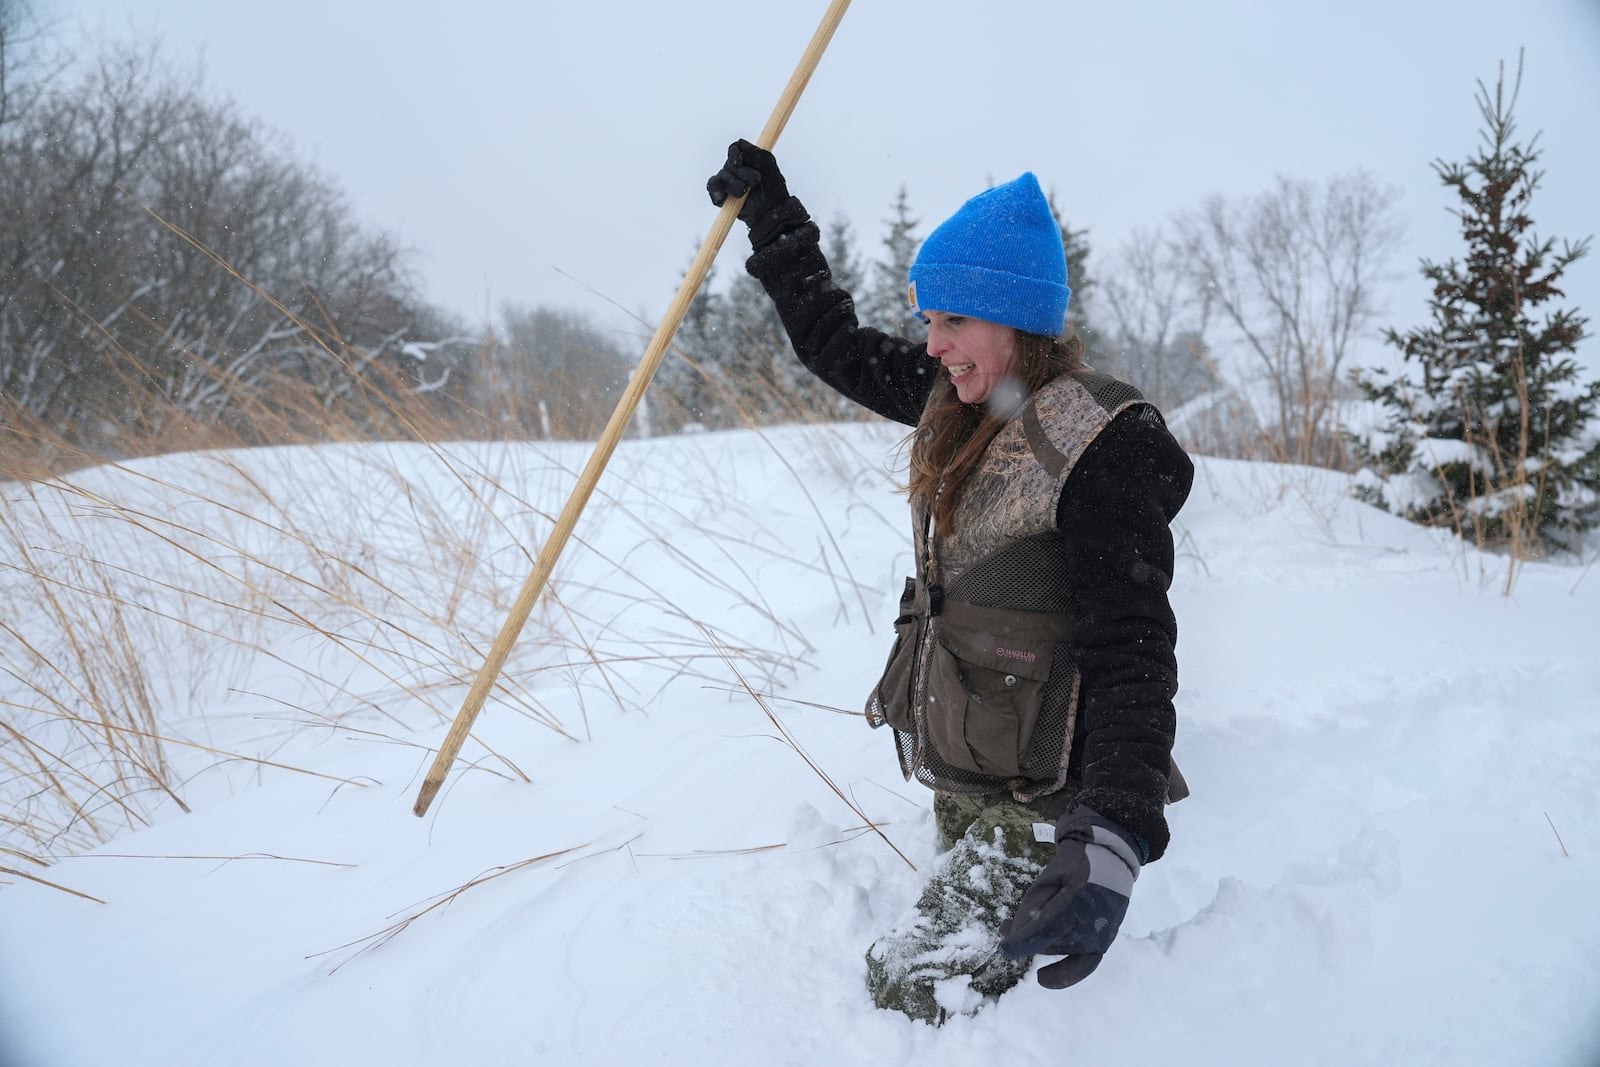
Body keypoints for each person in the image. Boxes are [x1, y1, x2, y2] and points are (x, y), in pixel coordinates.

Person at [707, 140, 1193, 1024]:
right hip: (970, 770)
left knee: (913, 993)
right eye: (929, 322)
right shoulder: (960, 395)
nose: (934, 346)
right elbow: (836, 345)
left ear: (1016, 319)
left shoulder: (1100, 446)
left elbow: (1133, 646)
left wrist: (1112, 835)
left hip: (1050, 802)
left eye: (954, 323)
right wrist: (774, 221)